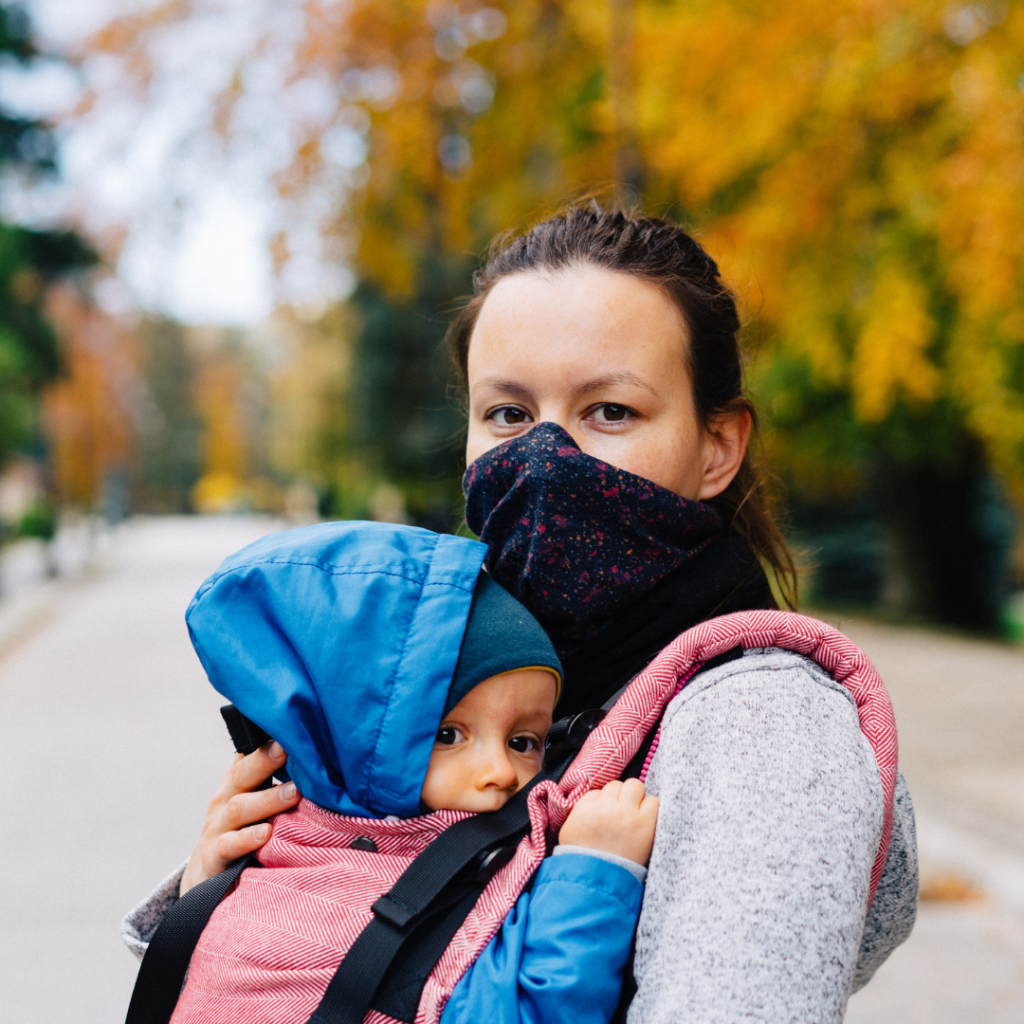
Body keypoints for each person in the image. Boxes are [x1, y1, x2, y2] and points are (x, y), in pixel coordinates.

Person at [124, 206, 918, 1023]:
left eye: (610, 411)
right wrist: (238, 887)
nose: (544, 459)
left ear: (717, 446)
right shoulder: (459, 665)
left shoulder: (763, 726)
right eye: (507, 414)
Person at [137, 520, 658, 1024]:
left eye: (523, 742)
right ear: (354, 739)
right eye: (448, 735)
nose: (500, 771)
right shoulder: (292, 897)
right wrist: (596, 873)